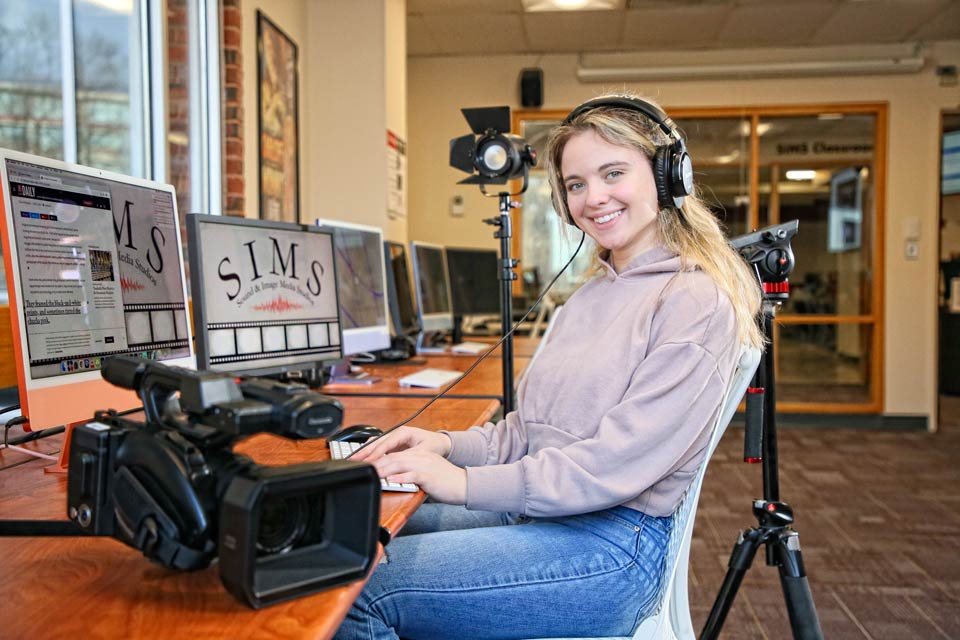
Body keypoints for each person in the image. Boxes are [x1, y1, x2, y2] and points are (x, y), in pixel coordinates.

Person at [335, 94, 763, 640]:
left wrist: (462, 484)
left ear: (665, 176)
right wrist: (444, 445)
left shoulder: (695, 301)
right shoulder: (586, 298)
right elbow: (525, 434)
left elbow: (612, 464)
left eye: (613, 173)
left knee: (357, 592)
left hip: (610, 548)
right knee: (350, 531)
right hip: (547, 513)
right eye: (577, 184)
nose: (594, 198)